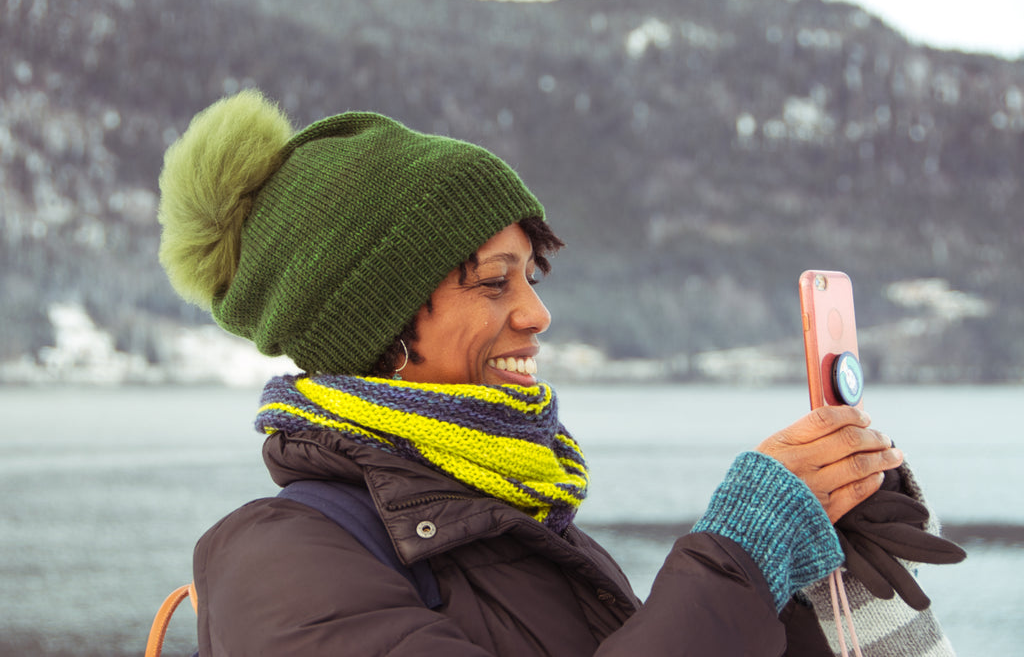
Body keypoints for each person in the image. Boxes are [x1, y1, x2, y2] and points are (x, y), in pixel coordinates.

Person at [157, 90, 963, 656]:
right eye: (491, 280)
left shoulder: (520, 529)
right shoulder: (277, 565)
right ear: (376, 323)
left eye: (530, 279)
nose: (536, 316)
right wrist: (736, 555)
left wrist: (809, 571)